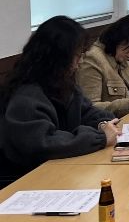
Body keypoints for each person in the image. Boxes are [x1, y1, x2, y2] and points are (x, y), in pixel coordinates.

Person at [0, 16, 120, 188]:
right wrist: (100, 138)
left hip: (61, 169)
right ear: (57, 57)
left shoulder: (62, 83)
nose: (80, 62)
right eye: (77, 56)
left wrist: (103, 124)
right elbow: (45, 143)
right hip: (28, 181)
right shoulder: (25, 95)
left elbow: (88, 112)